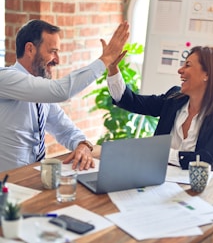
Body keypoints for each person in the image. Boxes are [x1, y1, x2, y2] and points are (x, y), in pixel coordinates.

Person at [0, 19, 129, 172]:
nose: (57, 60)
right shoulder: (5, 79)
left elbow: (65, 130)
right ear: (30, 49)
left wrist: (82, 145)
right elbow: (60, 91)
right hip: (7, 184)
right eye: (52, 51)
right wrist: (105, 59)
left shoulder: (41, 93)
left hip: (34, 178)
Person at [106, 46, 213, 174]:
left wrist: (160, 152)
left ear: (207, 75)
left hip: (200, 190)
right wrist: (113, 69)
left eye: (187, 65)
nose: (180, 70)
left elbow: (207, 160)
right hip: (158, 179)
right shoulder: (174, 98)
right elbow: (130, 101)